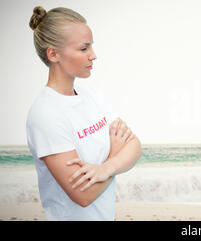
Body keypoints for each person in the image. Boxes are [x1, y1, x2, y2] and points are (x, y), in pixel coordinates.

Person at [26, 6, 142, 221]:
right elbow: (83, 195)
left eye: (92, 47)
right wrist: (114, 156)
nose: (93, 55)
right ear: (53, 54)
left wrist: (106, 168)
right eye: (83, 48)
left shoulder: (90, 96)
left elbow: (134, 146)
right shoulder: (46, 114)